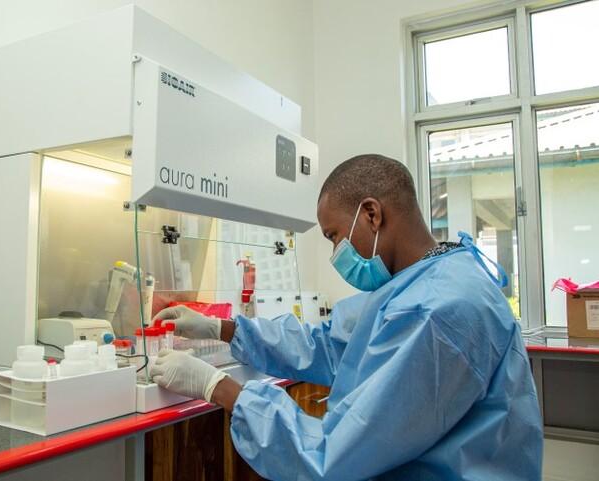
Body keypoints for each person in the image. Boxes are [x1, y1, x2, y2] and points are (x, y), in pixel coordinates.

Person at [150, 154, 543, 480]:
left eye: (333, 236)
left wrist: (218, 387)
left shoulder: (435, 313)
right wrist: (222, 328)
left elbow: (333, 458)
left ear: (371, 214)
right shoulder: (423, 282)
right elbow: (333, 346)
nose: (336, 251)